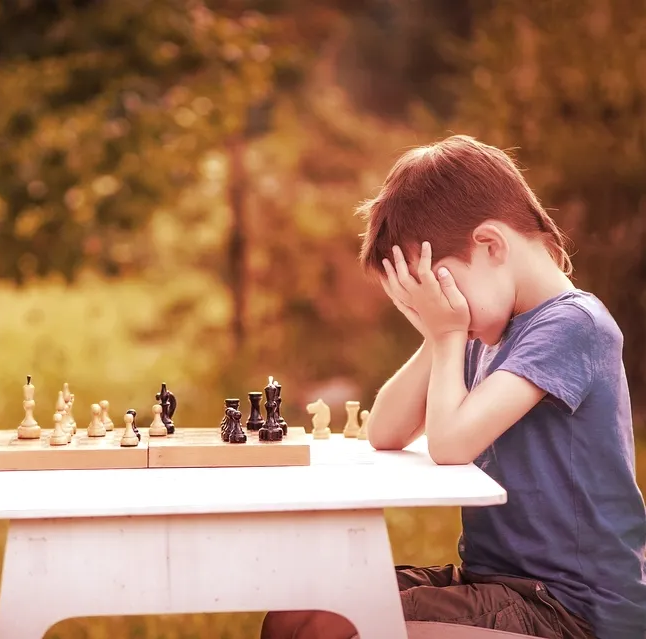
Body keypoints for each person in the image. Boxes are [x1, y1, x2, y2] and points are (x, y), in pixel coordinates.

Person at [261, 135, 646, 639]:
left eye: (442, 287)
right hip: (500, 586)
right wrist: (437, 334)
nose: (444, 309)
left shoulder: (573, 324)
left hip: (571, 609)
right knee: (298, 613)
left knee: (332, 630)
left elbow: (450, 444)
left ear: (491, 245)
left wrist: (447, 334)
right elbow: (386, 432)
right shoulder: (486, 327)